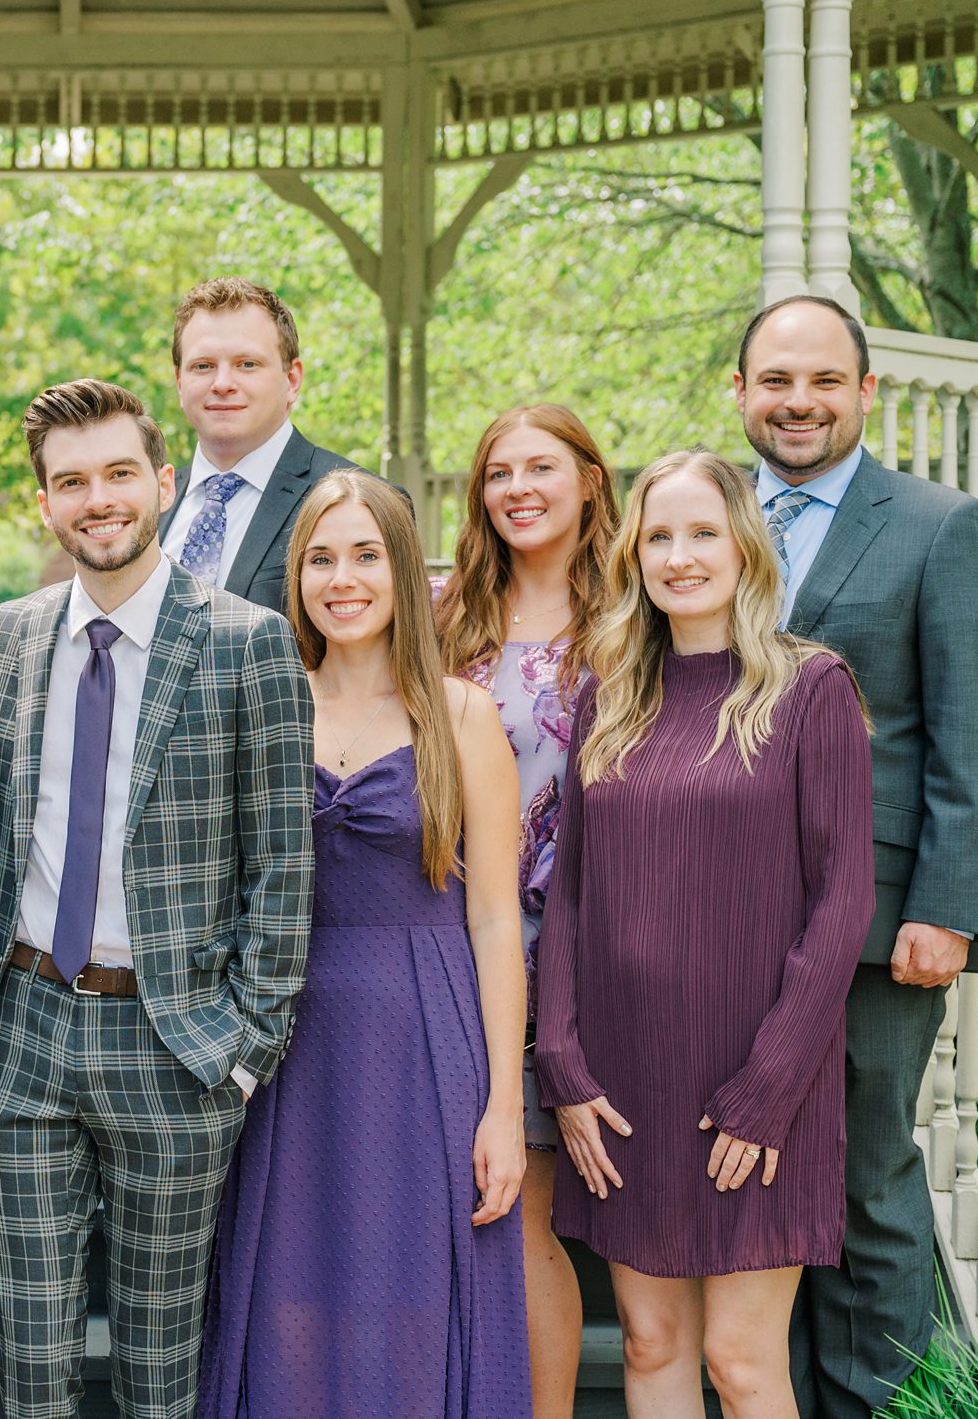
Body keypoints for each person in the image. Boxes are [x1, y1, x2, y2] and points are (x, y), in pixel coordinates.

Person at [0, 378, 314, 1419]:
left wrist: (245, 1051)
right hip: (28, 1027)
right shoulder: (8, 638)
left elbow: (285, 864)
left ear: (164, 482)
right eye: (70, 481)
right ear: (44, 502)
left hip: (178, 1041)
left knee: (161, 1366)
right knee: (30, 1368)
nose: (99, 498)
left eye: (120, 472)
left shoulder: (248, 640)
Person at [535, 449, 876, 1419]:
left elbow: (843, 901)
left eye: (701, 533)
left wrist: (767, 1091)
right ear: (633, 555)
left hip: (761, 1084)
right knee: (651, 1344)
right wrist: (563, 1062)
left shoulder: (812, 691)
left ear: (744, 545)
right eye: (658, 536)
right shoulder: (610, 699)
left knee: (740, 1357)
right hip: (626, 1083)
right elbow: (573, 897)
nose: (679, 556)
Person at [729, 296, 978, 1417]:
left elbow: (973, 729)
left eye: (821, 381)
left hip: (873, 923)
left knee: (863, 1172)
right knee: (746, 1175)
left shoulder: (940, 526)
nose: (797, 402)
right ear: (740, 390)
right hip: (723, 918)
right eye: (775, 381)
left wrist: (946, 906)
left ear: (865, 392)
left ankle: (881, 1405)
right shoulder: (711, 515)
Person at [198, 469, 531, 1419]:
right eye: (319, 558)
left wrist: (504, 1105)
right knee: (283, 1295)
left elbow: (497, 917)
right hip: (284, 1045)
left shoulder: (461, 715)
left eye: (365, 554)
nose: (342, 578)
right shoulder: (263, 701)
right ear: (295, 576)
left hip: (426, 1039)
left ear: (404, 570)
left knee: (419, 1293)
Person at [433, 403, 623, 1419]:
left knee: (521, 1211)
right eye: (498, 471)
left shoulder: (634, 619)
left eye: (541, 467)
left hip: (564, 958)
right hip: (434, 944)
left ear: (591, 479)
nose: (518, 488)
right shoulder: (442, 612)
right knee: (441, 1205)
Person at [159, 276, 375, 606]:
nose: (222, 383)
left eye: (247, 364)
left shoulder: (364, 500)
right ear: (179, 382)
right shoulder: (150, 503)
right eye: (203, 366)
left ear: (292, 380)